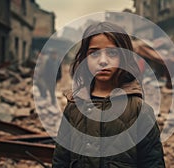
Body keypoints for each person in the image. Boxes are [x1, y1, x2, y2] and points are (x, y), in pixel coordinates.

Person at [52, 22, 165, 167]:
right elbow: (60, 160)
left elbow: (152, 163)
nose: (103, 61)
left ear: (124, 58)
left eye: (112, 53)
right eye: (94, 53)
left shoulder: (139, 110)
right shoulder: (74, 107)